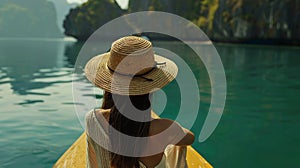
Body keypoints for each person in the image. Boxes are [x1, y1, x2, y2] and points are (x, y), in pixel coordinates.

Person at [84, 36, 195, 168]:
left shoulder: (93, 120)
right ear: (151, 87)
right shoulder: (165, 129)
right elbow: (190, 138)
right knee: (178, 147)